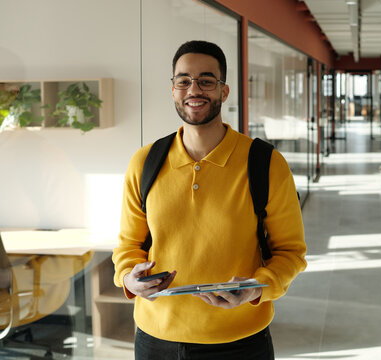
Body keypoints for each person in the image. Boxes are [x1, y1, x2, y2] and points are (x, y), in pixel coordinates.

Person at [112, 40, 307, 360]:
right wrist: (130, 277)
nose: (194, 89)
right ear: (173, 89)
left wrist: (258, 287)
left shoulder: (265, 163)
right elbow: (128, 246)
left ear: (224, 91)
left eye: (206, 80)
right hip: (156, 338)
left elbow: (292, 252)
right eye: (183, 80)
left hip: (241, 339)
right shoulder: (145, 162)